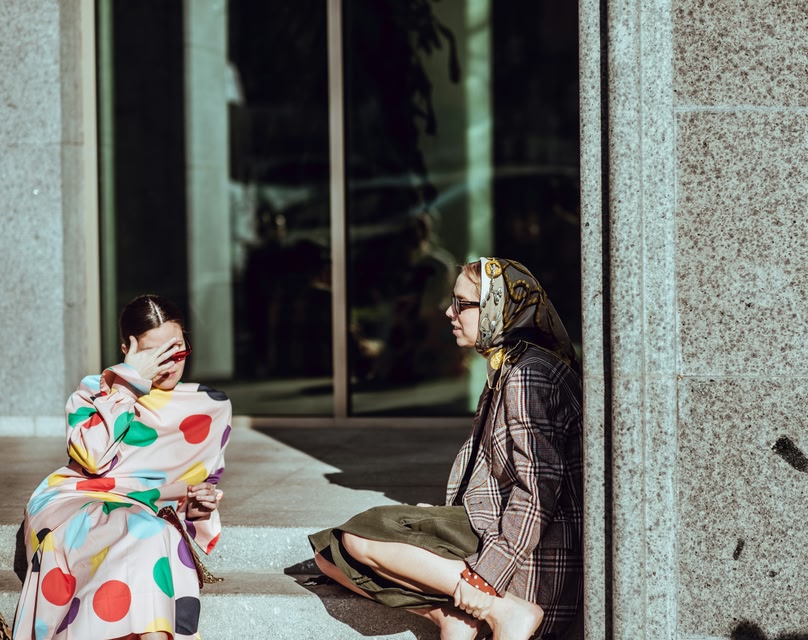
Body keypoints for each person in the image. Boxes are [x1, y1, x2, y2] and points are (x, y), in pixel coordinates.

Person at [309, 257, 583, 640]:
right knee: (328, 555)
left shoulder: (527, 375)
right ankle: (446, 616)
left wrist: (485, 579)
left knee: (360, 536)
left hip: (531, 564)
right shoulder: (509, 366)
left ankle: (503, 610)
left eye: (461, 303)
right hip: (487, 526)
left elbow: (537, 494)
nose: (448, 312)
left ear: (496, 308)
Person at [13, 294, 232, 640]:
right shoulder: (96, 390)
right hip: (77, 500)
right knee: (142, 528)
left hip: (144, 516)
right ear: (127, 350)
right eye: (154, 354)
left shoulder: (211, 407)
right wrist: (128, 385)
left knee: (150, 531)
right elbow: (93, 459)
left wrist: (200, 506)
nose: (169, 363)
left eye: (177, 350)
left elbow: (190, 495)